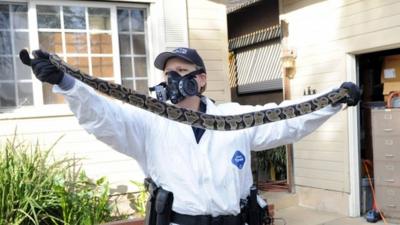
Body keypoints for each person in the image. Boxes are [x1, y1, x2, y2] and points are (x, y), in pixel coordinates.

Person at [28, 48, 360, 225]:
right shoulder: (148, 123)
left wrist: (333, 99)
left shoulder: (233, 118)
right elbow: (104, 117)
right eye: (167, 73)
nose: (172, 78)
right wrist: (67, 84)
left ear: (200, 80)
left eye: (182, 72)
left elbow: (288, 118)